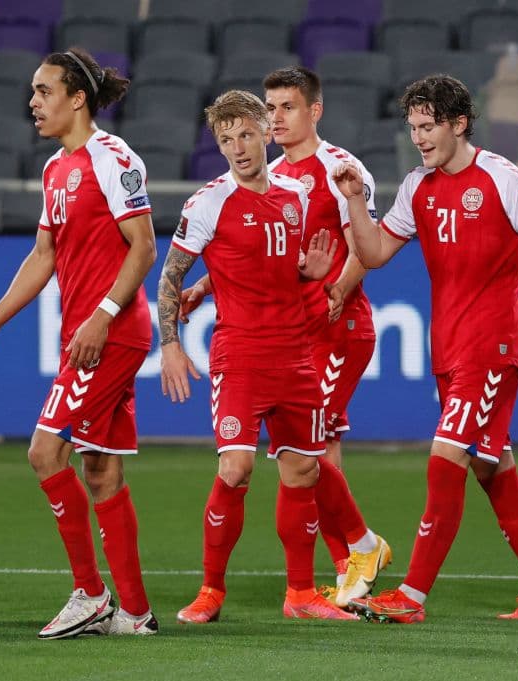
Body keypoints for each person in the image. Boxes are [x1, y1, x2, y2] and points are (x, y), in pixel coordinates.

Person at [336, 74, 518, 622]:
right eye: (413, 127)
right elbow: (372, 253)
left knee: (445, 460)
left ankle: (412, 597)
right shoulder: (417, 187)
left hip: (490, 348)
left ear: (458, 123)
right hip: (447, 350)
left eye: (428, 126)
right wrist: (355, 203)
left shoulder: (505, 180)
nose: (418, 138)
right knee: (493, 468)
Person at [0, 47, 158, 638]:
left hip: (112, 332)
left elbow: (144, 247)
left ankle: (91, 595)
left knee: (45, 453)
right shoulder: (55, 170)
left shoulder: (112, 158)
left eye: (44, 91)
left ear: (77, 98)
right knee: (99, 470)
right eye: (32, 92)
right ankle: (137, 613)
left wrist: (101, 315)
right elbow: (43, 256)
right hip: (90, 333)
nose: (33, 102)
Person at [178, 67, 392, 608]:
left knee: (314, 455)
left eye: (286, 107)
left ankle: (353, 559)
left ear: (313, 111)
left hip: (336, 327)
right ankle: (349, 561)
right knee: (306, 457)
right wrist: (206, 282)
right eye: (269, 108)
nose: (275, 117)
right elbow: (261, 254)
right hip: (290, 333)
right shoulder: (273, 178)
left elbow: (363, 246)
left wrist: (336, 288)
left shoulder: (340, 168)